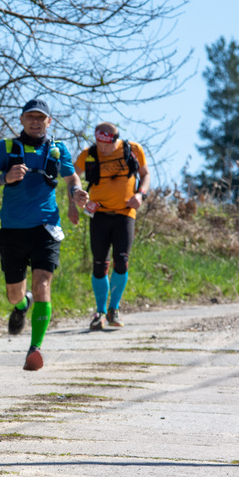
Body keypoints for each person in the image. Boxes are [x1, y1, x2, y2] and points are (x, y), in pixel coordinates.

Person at [0, 99, 88, 371]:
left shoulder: (58, 149)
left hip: (46, 228)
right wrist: (4, 178)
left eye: (41, 118)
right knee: (15, 294)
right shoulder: (7, 148)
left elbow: (72, 179)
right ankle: (21, 305)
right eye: (31, 117)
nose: (36, 122)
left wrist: (76, 196)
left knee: (43, 286)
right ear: (22, 120)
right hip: (12, 230)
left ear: (49, 122)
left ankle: (35, 348)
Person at [73, 122, 151, 330]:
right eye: (99, 143)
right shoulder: (88, 154)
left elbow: (145, 175)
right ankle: (99, 312)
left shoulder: (132, 150)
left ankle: (113, 309)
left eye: (107, 144)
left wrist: (140, 195)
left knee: (122, 261)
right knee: (99, 264)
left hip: (125, 214)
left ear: (116, 140)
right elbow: (73, 178)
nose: (103, 148)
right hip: (98, 214)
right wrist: (75, 203)